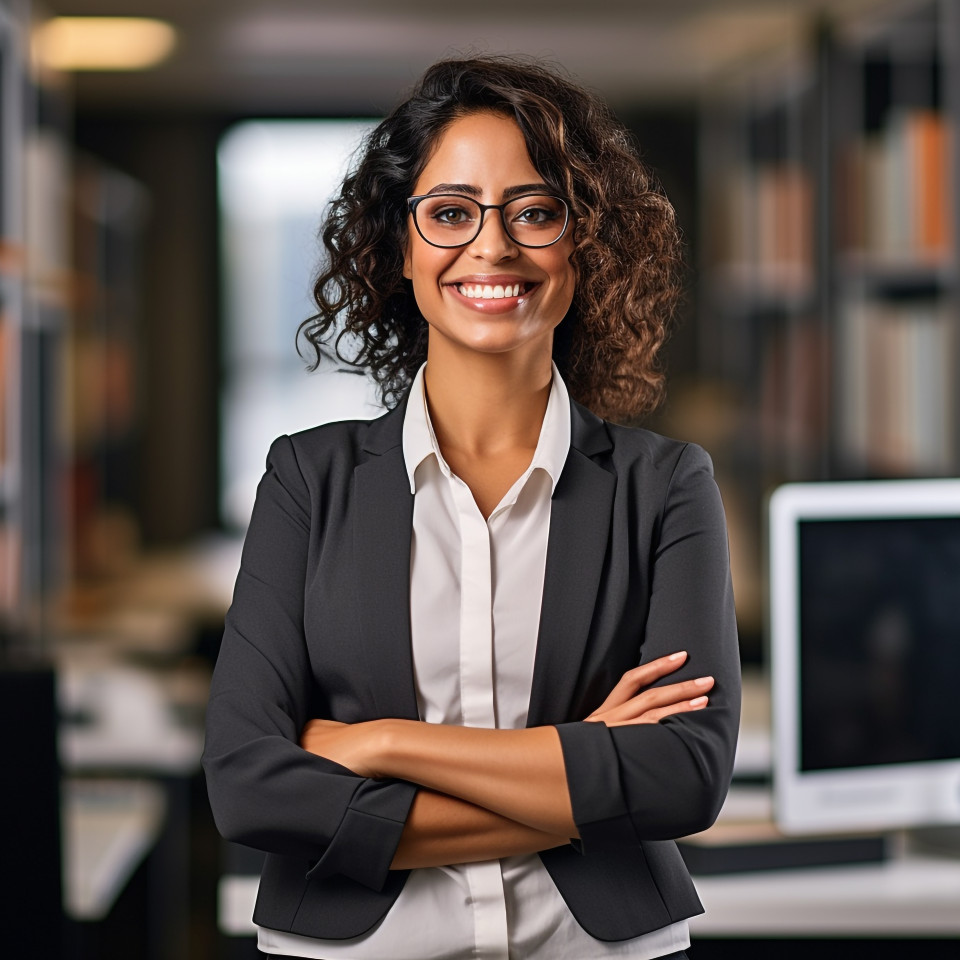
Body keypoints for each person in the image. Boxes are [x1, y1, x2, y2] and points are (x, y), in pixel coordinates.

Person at [203, 56, 740, 960]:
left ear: (586, 247)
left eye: (534, 212)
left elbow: (683, 779)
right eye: (450, 213)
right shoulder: (307, 478)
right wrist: (579, 775)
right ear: (398, 247)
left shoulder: (666, 484)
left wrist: (379, 744)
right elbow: (251, 787)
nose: (491, 247)